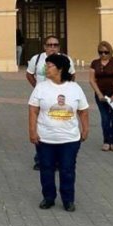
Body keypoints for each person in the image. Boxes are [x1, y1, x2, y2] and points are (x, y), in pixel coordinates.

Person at [28, 54, 89, 212]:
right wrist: (32, 131)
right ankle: (48, 198)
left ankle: (68, 200)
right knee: (46, 169)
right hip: (45, 138)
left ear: (60, 68)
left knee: (67, 170)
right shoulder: (41, 88)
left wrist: (85, 129)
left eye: (49, 66)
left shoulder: (74, 88)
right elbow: (33, 111)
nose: (45, 69)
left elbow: (83, 111)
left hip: (69, 139)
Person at [25, 35, 76, 170]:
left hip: (60, 98)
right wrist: (37, 87)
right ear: (44, 47)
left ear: (59, 47)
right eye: (49, 45)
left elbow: (72, 75)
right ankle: (40, 159)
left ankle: (59, 160)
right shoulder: (37, 59)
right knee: (41, 126)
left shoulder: (66, 59)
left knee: (58, 125)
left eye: (55, 45)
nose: (52, 47)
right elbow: (29, 74)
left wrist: (67, 89)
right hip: (42, 98)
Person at [88, 41, 113, 152]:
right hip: (101, 95)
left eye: (106, 52)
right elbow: (91, 79)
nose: (103, 55)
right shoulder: (95, 63)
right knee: (105, 119)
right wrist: (99, 94)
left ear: (110, 51)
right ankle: (106, 141)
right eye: (101, 52)